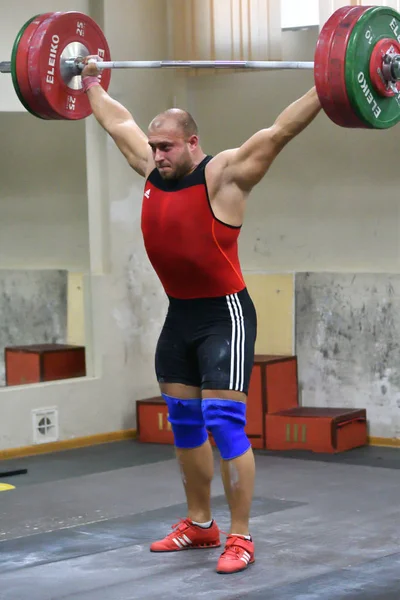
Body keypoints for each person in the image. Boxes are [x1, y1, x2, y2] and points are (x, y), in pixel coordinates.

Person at [81, 58, 321, 574]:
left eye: (166, 147)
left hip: (224, 315)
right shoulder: (149, 166)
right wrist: (88, 81)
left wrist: (329, 86)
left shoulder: (226, 174)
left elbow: (280, 131)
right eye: (154, 146)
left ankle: (240, 535)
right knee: (185, 422)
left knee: (224, 423)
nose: (156, 154)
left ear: (193, 142)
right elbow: (115, 121)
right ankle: (199, 523)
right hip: (180, 316)